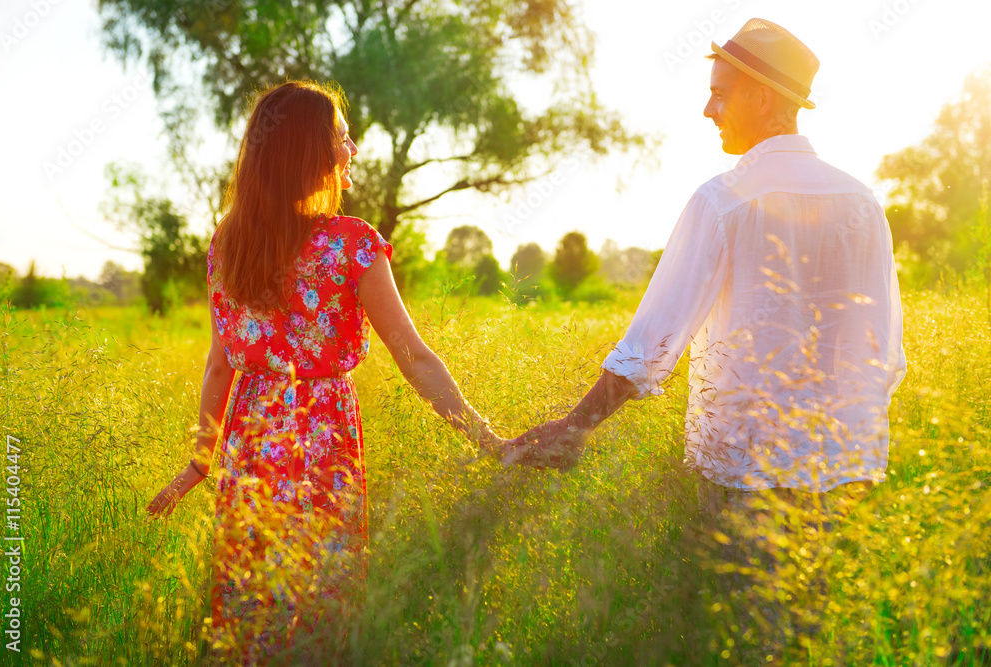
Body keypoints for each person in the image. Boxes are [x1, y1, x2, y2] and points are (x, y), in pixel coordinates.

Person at [508, 17, 907, 661]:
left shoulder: (724, 199)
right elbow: (883, 353)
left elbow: (652, 343)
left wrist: (576, 425)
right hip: (842, 477)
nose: (707, 109)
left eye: (720, 93)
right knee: (817, 641)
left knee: (738, 639)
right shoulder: (862, 202)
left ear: (764, 99)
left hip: (742, 479)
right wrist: (848, 451)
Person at [145, 80, 504, 664]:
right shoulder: (352, 245)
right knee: (320, 605)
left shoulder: (226, 245)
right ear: (308, 152)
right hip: (322, 437)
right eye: (342, 137)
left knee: (251, 605)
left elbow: (219, 368)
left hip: (250, 445)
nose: (352, 150)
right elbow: (412, 356)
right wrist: (487, 438)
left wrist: (199, 463)